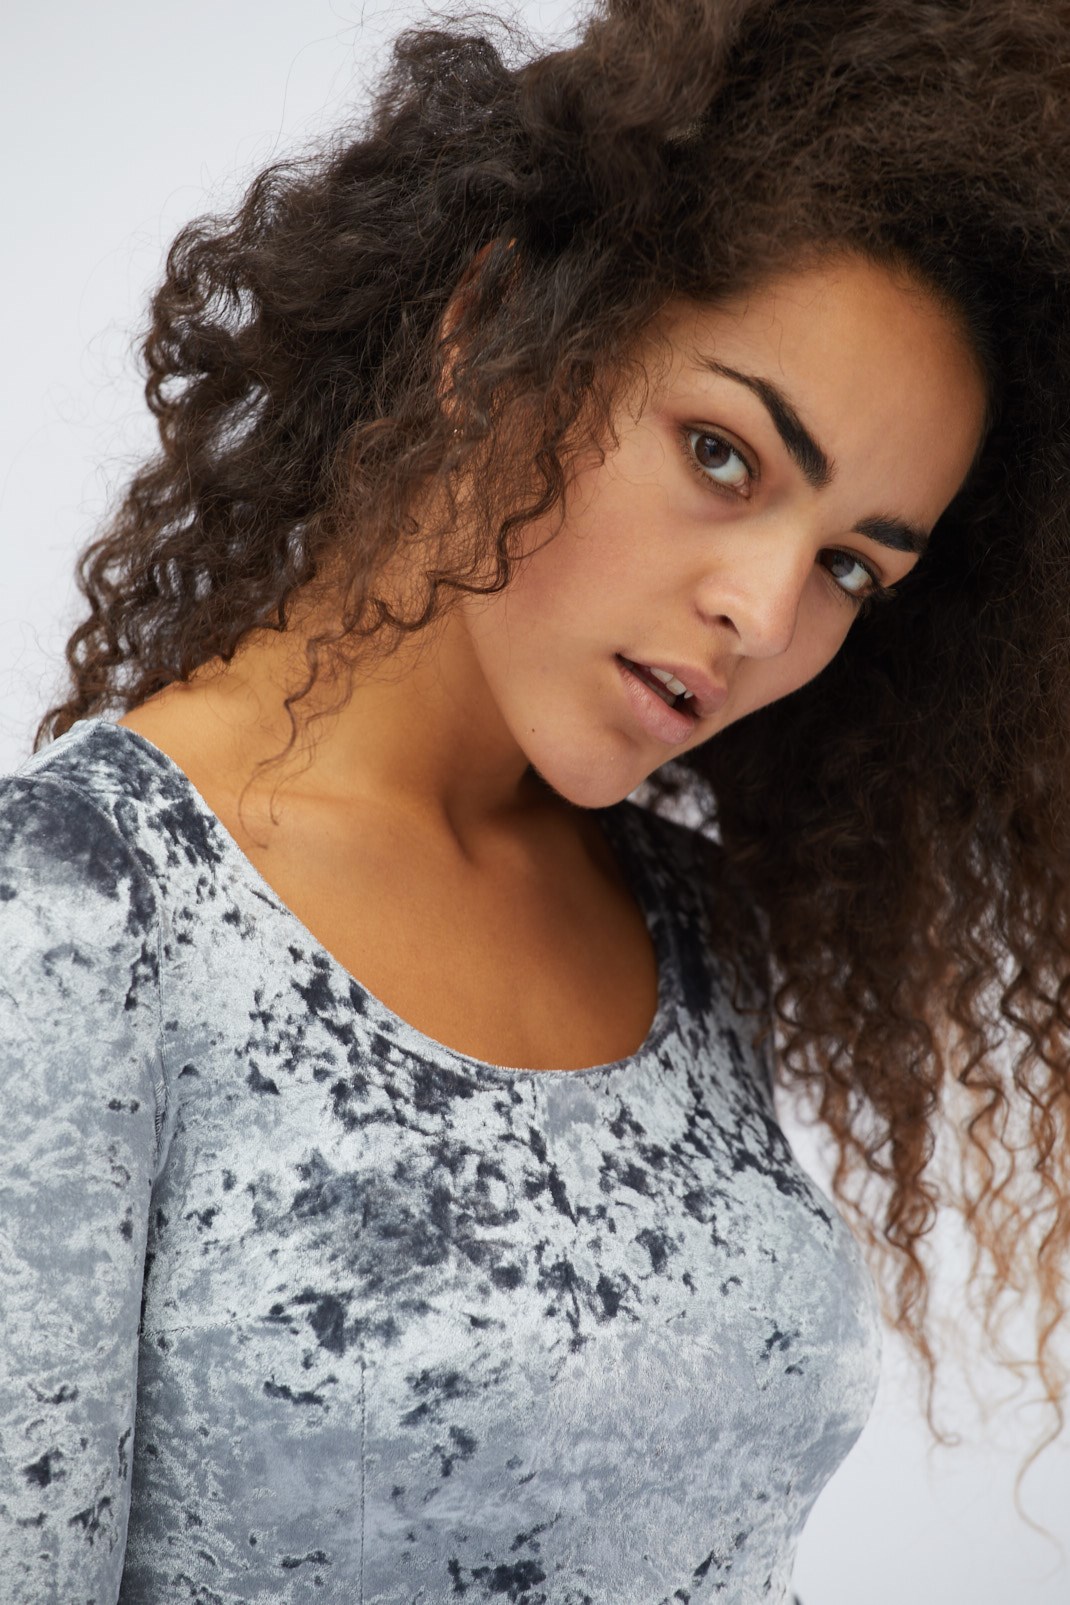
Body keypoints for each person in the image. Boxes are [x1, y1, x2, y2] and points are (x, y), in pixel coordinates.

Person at [3, 0, 1069, 1599]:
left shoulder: (681, 921)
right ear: (496, 327)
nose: (764, 612)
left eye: (851, 565)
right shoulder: (78, 915)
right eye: (722, 454)